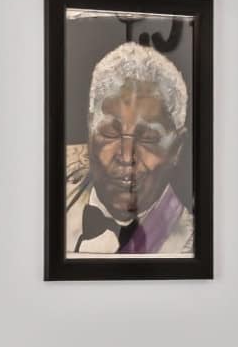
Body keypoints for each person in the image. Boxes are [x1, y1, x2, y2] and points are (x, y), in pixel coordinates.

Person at [64, 35, 194, 259]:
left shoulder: (190, 246)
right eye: (110, 132)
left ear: (176, 148)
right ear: (90, 131)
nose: (126, 155)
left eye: (148, 138)